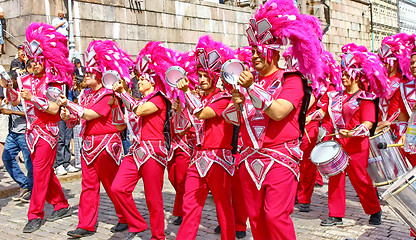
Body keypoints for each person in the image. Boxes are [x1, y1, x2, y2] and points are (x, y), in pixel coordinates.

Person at [225, 0, 323, 238]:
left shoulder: (292, 79)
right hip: (249, 160)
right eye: (253, 51)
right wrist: (236, 100)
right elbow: (233, 120)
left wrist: (251, 89)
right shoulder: (251, 83)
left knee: (275, 217)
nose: (255, 56)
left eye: (260, 50)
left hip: (279, 158)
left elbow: (278, 112)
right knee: (257, 218)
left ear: (275, 50)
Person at [3, 22, 73, 233]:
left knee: (40, 171)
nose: (35, 65)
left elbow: (53, 110)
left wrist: (33, 98)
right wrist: (9, 89)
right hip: (31, 132)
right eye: (32, 61)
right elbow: (16, 102)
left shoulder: (53, 81)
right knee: (45, 172)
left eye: (38, 61)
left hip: (48, 132)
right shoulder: (24, 79)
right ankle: (61, 204)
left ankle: (35, 214)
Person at [59, 40, 131, 238]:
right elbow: (78, 120)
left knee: (113, 184)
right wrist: (67, 115)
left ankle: (126, 217)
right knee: (88, 186)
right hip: (88, 145)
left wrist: (70, 105)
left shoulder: (109, 94)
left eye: (91, 73)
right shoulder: (84, 95)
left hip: (107, 144)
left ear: (99, 76)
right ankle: (86, 224)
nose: (87, 75)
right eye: (87, 72)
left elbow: (91, 115)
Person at [176, 35, 236, 240]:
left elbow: (202, 113)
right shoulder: (197, 97)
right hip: (198, 157)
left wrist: (187, 94)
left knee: (222, 204)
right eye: (199, 75)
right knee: (189, 202)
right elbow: (181, 128)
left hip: (219, 157)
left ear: (215, 77)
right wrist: (178, 108)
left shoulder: (223, 98)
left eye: (205, 75)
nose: (201, 79)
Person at [111, 42, 173, 240]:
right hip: (136, 150)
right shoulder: (141, 99)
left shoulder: (159, 99)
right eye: (138, 78)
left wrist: (122, 93)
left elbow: (138, 109)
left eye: (143, 78)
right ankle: (137, 223)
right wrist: (116, 102)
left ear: (153, 81)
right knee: (117, 188)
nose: (139, 81)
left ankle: (158, 236)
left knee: (153, 199)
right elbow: (120, 124)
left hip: (154, 151)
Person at [319, 48, 388, 227]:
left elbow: (368, 123)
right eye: (342, 73)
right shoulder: (336, 96)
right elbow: (330, 118)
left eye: (346, 73)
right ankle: (335, 214)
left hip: (357, 143)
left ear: (356, 75)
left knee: (360, 178)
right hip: (338, 143)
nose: (342, 77)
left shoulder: (365, 97)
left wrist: (352, 132)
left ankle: (374, 209)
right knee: (335, 176)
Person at [0, 70, 33, 203]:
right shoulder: (8, 92)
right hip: (13, 132)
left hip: (24, 132)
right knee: (6, 158)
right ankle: (24, 185)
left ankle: (32, 189)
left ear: (13, 80)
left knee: (29, 162)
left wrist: (10, 111)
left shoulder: (24, 92)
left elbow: (29, 112)